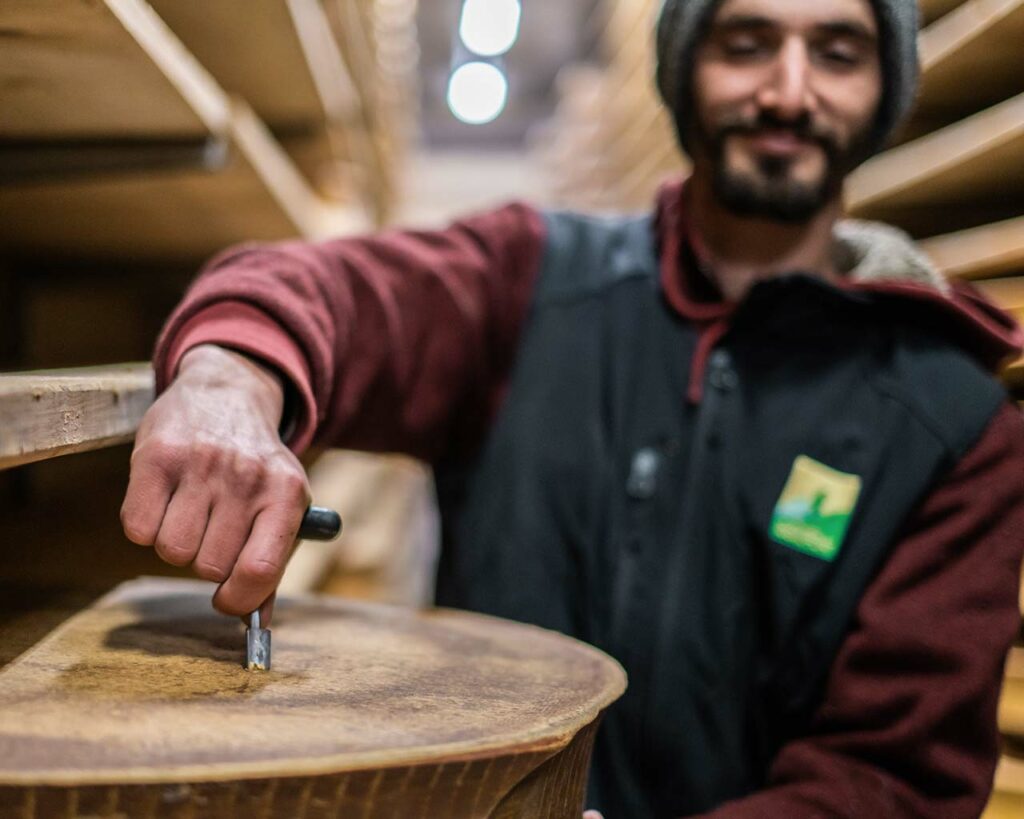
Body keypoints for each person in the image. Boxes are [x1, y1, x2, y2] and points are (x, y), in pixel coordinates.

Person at [120, 0, 1024, 815]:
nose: (788, 91)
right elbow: (325, 287)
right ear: (682, 66)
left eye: (838, 52)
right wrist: (230, 377)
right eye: (747, 44)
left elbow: (896, 781)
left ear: (884, 88)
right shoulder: (532, 280)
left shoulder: (952, 421)